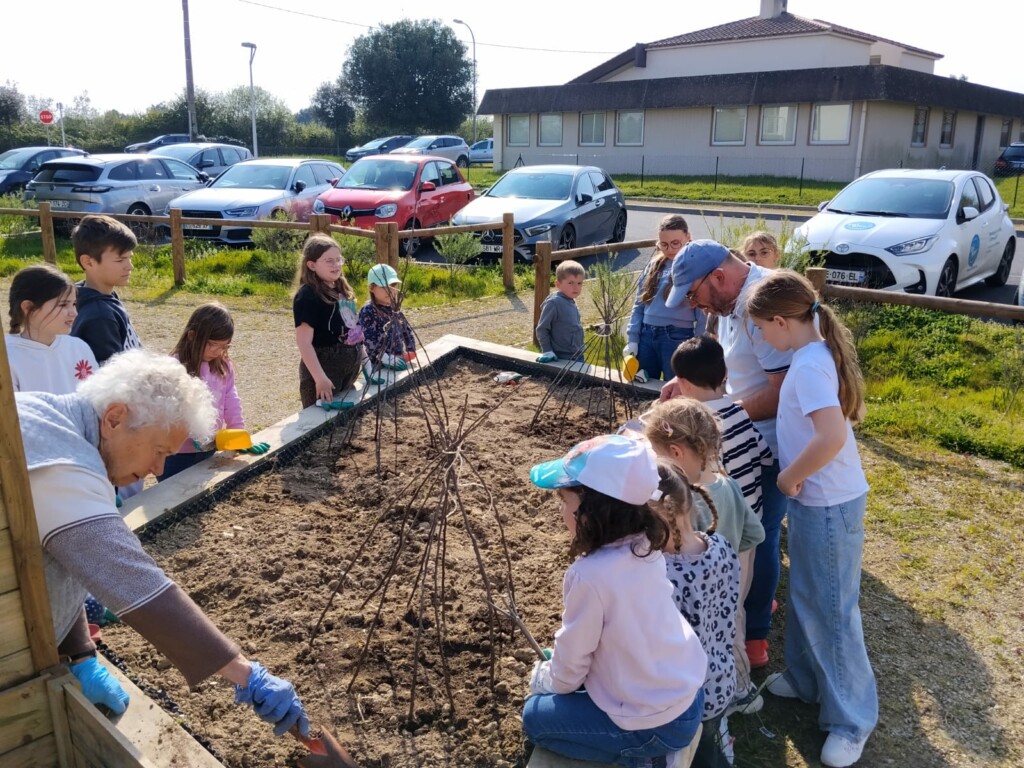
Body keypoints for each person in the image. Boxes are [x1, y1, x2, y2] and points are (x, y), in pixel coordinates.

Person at [15, 348, 318, 743]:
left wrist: (81, 653)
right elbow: (135, 582)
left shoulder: (50, 417)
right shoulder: (62, 465)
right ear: (115, 418)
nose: (158, 469)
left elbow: (65, 558)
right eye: (159, 451)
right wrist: (246, 674)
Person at [745, 270, 876, 768]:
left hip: (828, 503)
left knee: (833, 609)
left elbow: (831, 436)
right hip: (814, 500)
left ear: (781, 322)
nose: (761, 337)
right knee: (807, 593)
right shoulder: (809, 357)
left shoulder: (809, 367)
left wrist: (789, 477)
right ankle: (804, 679)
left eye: (762, 328)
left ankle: (851, 720)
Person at [524, 433, 707, 768]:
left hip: (654, 723)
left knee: (535, 717)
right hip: (688, 696)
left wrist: (544, 680)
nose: (561, 511)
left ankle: (645, 758)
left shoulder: (589, 576)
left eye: (565, 501)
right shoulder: (646, 545)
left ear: (591, 512)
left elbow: (568, 674)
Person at [663, 239, 792, 670]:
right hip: (737, 436)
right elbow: (720, 354)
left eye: (693, 294)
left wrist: (714, 412)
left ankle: (754, 634)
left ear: (718, 277)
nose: (695, 305)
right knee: (741, 536)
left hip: (767, 442)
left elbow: (782, 394)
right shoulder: (726, 302)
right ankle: (750, 603)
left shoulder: (764, 304)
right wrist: (686, 386)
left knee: (760, 535)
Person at [642, 397, 764, 720]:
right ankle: (742, 691)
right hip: (728, 592)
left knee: (704, 652)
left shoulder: (683, 505)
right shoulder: (729, 485)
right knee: (732, 640)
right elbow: (752, 537)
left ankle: (710, 711)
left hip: (694, 603)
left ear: (676, 453)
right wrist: (739, 588)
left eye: (655, 455)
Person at [652, 459, 739, 768]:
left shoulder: (664, 576)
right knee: (708, 749)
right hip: (722, 678)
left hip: (689, 699)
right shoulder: (721, 545)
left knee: (696, 756)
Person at [669, 336, 773, 523]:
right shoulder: (740, 412)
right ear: (725, 372)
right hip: (752, 515)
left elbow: (705, 480)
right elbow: (765, 456)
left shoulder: (701, 427)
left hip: (723, 520)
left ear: (683, 383)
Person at [158, 303, 259, 481]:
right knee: (174, 492)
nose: (218, 351)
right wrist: (192, 434)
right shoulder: (174, 367)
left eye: (225, 346)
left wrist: (237, 432)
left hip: (210, 447)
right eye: (213, 344)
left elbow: (231, 400)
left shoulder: (223, 366)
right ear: (192, 336)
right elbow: (167, 411)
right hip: (176, 453)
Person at [623, 215, 702, 382]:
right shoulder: (654, 266)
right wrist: (633, 339)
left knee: (675, 385)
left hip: (677, 336)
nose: (670, 249)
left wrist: (698, 344)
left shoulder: (696, 267)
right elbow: (639, 304)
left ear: (688, 237)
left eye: (675, 243)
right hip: (646, 335)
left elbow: (703, 314)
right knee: (642, 384)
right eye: (664, 244)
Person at [293, 234, 363, 408]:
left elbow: (354, 331)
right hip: (324, 370)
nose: (336, 264)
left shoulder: (342, 289)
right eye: (329, 261)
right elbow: (304, 343)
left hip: (348, 369)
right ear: (312, 265)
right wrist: (320, 378)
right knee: (323, 418)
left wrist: (366, 363)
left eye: (339, 259)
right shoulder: (307, 296)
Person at [6, 263, 97, 393]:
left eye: (74, 304)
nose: (74, 313)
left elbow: (96, 397)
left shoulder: (78, 347)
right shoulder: (7, 357)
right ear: (28, 307)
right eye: (63, 305)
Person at [70, 214, 142, 365]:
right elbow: (111, 373)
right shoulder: (100, 316)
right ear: (88, 262)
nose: (130, 266)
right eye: (120, 260)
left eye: (130, 258)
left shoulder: (101, 297)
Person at [358, 263, 416, 371]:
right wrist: (385, 358)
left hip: (398, 358)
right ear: (371, 288)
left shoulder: (395, 309)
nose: (390, 290)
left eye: (393, 285)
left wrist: (410, 349)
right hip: (377, 365)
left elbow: (407, 330)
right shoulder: (368, 311)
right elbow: (368, 340)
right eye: (383, 286)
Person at [535, 259, 585, 363]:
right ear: (558, 284)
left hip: (577, 355)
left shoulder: (571, 300)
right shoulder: (554, 303)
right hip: (562, 358)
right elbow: (542, 329)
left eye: (579, 283)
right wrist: (547, 351)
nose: (575, 287)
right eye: (570, 283)